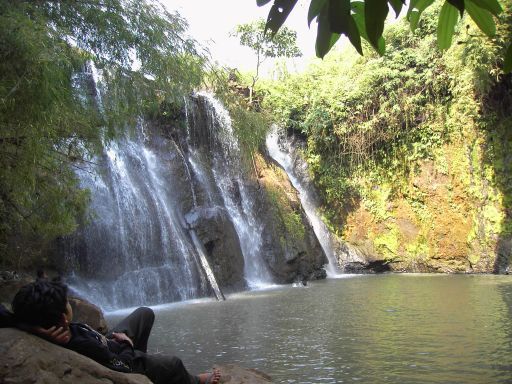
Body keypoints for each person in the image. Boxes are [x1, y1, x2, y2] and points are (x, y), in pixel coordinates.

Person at [11, 280, 220, 384]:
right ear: (64, 318)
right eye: (68, 303)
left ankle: (144, 358)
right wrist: (128, 344)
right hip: (120, 355)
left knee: (144, 313)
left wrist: (28, 326)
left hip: (109, 341)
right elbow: (121, 366)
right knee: (174, 364)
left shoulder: (47, 325)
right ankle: (192, 380)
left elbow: (4, 314)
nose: (70, 303)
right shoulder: (84, 346)